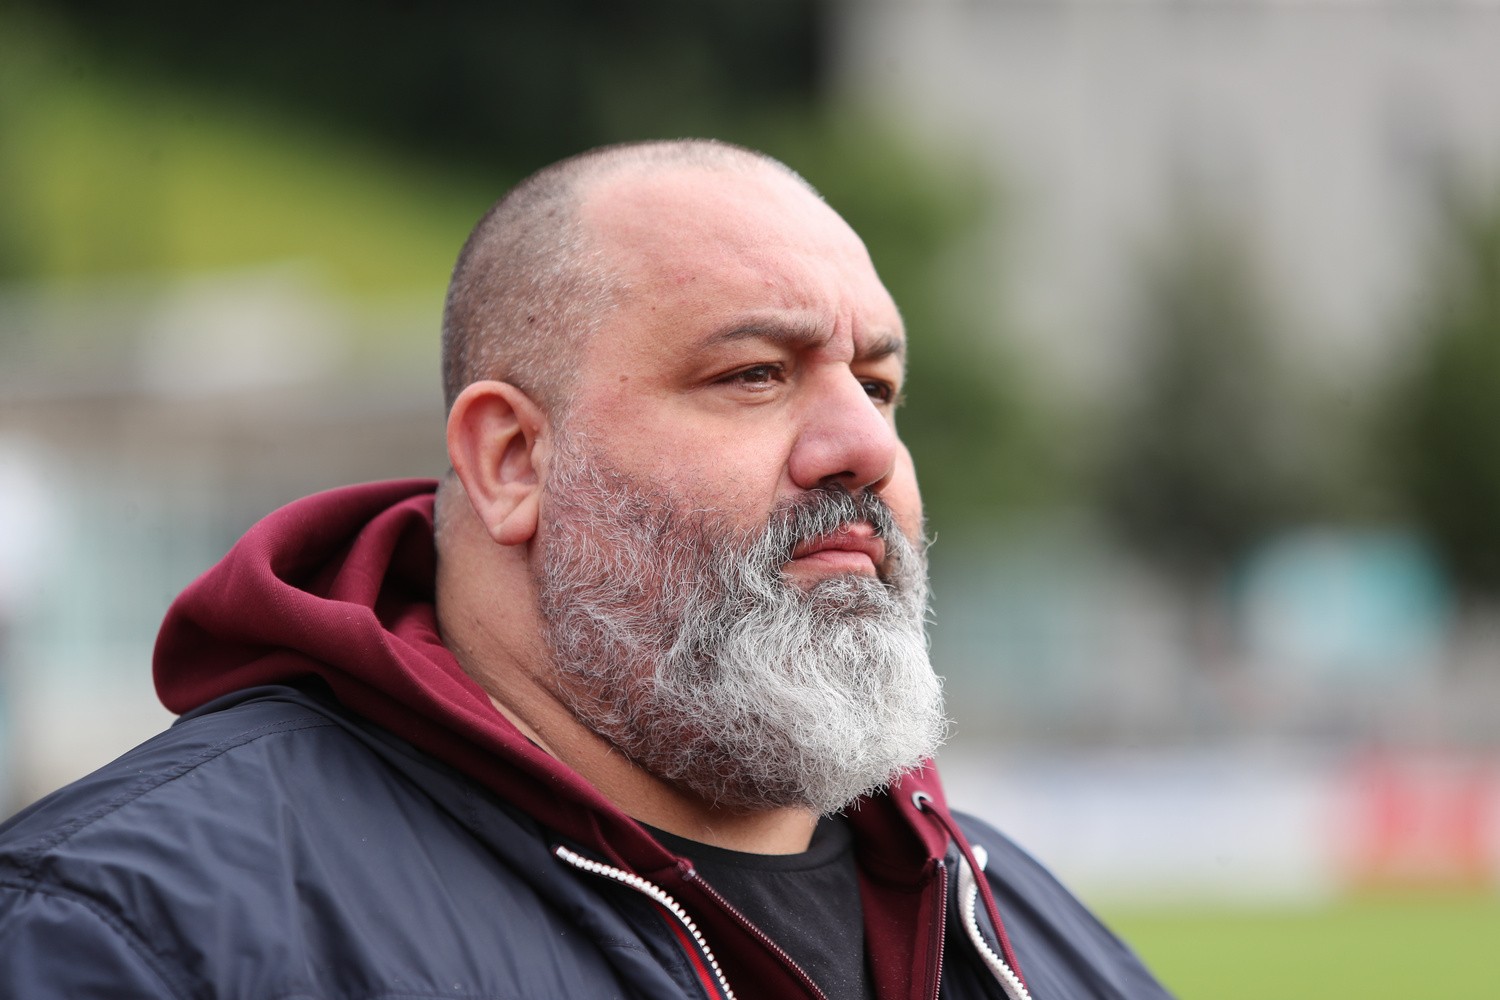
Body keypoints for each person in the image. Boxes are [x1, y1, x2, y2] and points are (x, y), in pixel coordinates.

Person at [0, 140, 1171, 999]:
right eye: (755, 373)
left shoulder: (1024, 940)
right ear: (513, 460)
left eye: (877, 386)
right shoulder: (134, 935)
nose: (863, 445)